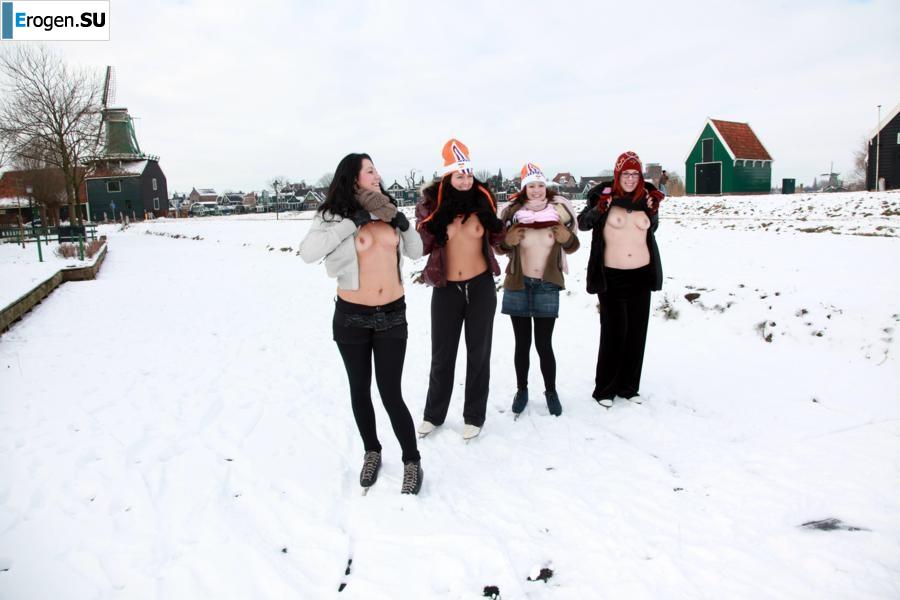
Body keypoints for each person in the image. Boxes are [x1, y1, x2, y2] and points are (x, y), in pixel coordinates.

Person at [299, 153, 423, 494]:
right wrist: (352, 223)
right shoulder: (332, 215)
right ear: (354, 178)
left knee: (391, 392)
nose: (377, 174)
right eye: (370, 170)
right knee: (360, 390)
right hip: (352, 317)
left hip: (393, 316)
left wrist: (403, 222)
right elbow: (308, 252)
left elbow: (417, 251)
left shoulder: (389, 210)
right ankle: (372, 451)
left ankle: (412, 460)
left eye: (376, 169)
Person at [415, 139, 504, 441]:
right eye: (459, 176)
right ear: (447, 177)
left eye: (468, 175)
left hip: (480, 286)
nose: (465, 181)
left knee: (478, 354)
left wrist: (498, 225)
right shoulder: (430, 204)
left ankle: (474, 415)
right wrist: (434, 222)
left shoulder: (484, 200)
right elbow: (421, 247)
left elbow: (501, 244)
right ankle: (433, 415)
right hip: (446, 288)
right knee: (442, 355)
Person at [577, 151, 664, 408]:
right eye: (625, 173)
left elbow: (652, 229)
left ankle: (628, 387)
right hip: (612, 276)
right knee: (614, 332)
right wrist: (599, 208)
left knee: (637, 332)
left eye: (635, 174)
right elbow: (583, 224)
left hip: (641, 274)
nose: (630, 178)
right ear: (618, 174)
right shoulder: (602, 195)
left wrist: (654, 211)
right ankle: (605, 388)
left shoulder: (647, 198)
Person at [495, 163, 580, 417]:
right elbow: (499, 247)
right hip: (518, 284)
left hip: (547, 285)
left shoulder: (559, 212)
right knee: (522, 344)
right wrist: (507, 241)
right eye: (531, 186)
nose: (536, 190)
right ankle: (522, 390)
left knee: (544, 344)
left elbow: (573, 245)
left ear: (546, 187)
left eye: (540, 185)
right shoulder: (513, 213)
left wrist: (565, 237)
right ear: (524, 189)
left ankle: (550, 391)